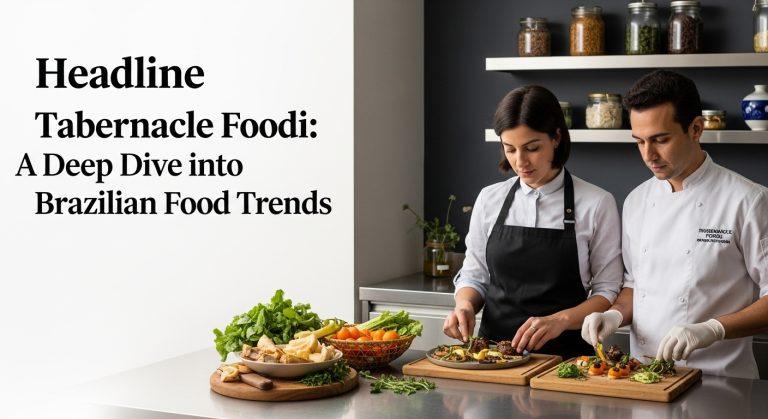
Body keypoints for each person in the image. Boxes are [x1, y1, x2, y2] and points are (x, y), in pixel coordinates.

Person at [581, 70, 768, 379]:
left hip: (720, 383)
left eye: (660, 140)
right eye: (639, 141)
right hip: (644, 378)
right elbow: (634, 285)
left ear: (696, 129)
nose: (648, 155)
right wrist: (614, 314)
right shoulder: (636, 201)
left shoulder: (749, 201)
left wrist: (713, 329)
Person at [443, 85, 623, 359]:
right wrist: (465, 305)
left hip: (566, 361)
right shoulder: (490, 199)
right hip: (491, 357)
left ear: (556, 138)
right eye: (510, 149)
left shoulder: (597, 203)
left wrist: (561, 320)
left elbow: (607, 290)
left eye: (532, 148)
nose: (520, 161)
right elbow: (475, 274)